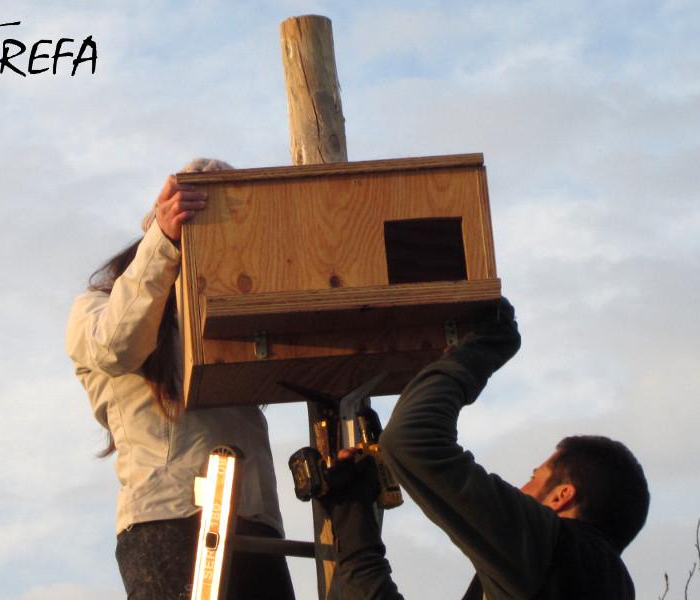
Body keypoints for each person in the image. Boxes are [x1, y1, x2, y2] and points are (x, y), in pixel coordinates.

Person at [65, 158, 295, 600]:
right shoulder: (97, 305)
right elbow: (118, 346)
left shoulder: (234, 307)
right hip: (167, 517)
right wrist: (166, 244)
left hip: (254, 518)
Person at [322, 298, 650, 599]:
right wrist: (355, 535)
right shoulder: (585, 579)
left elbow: (412, 439)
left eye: (534, 477)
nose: (522, 488)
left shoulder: (556, 554)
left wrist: (487, 344)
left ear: (561, 496)